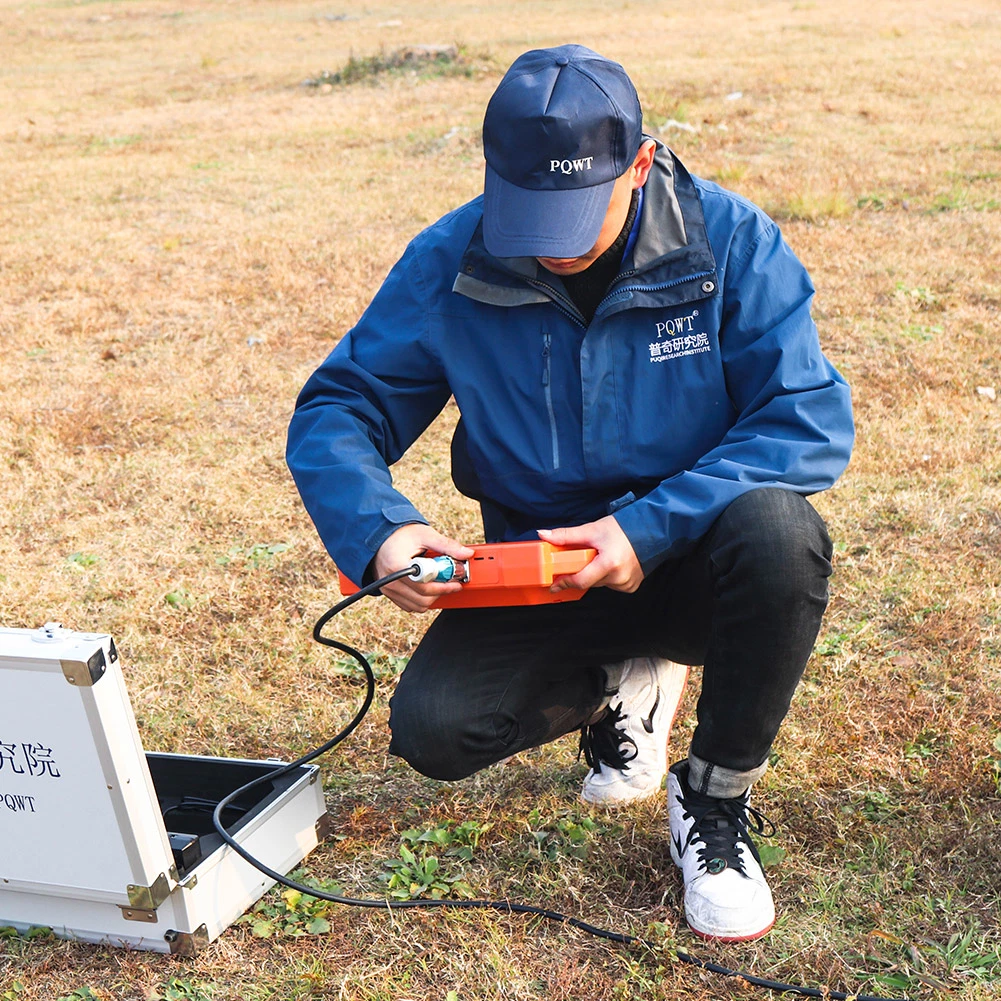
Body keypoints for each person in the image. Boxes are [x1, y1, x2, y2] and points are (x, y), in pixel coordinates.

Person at [287, 44, 853, 942]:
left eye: (574, 212)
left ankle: (711, 800)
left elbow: (804, 419)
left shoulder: (730, 241)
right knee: (436, 730)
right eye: (525, 212)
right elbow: (340, 407)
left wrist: (646, 527)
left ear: (638, 163)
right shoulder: (447, 258)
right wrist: (380, 532)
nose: (548, 244)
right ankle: (617, 685)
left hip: (693, 552)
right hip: (538, 564)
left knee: (783, 537)